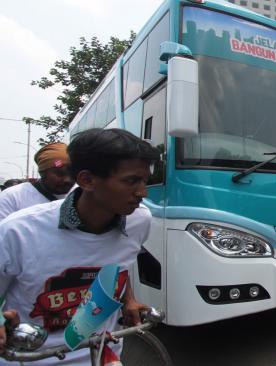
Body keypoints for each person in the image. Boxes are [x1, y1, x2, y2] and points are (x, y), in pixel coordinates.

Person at [0, 128, 161, 364]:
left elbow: (118, 266)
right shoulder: (19, 231)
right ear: (86, 180)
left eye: (145, 181)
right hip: (33, 357)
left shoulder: (139, 220)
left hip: (104, 354)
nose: (142, 193)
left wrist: (129, 301)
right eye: (131, 181)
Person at [0, 143, 74, 220]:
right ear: (42, 173)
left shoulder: (81, 195)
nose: (68, 180)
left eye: (73, 173)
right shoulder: (13, 197)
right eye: (60, 173)